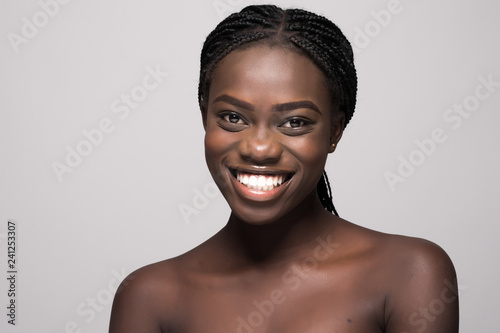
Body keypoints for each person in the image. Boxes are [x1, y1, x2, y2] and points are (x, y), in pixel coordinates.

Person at [109, 5, 459, 332]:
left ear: (334, 131)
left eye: (294, 122)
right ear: (205, 119)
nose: (259, 148)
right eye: (233, 117)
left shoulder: (408, 272)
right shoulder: (149, 297)